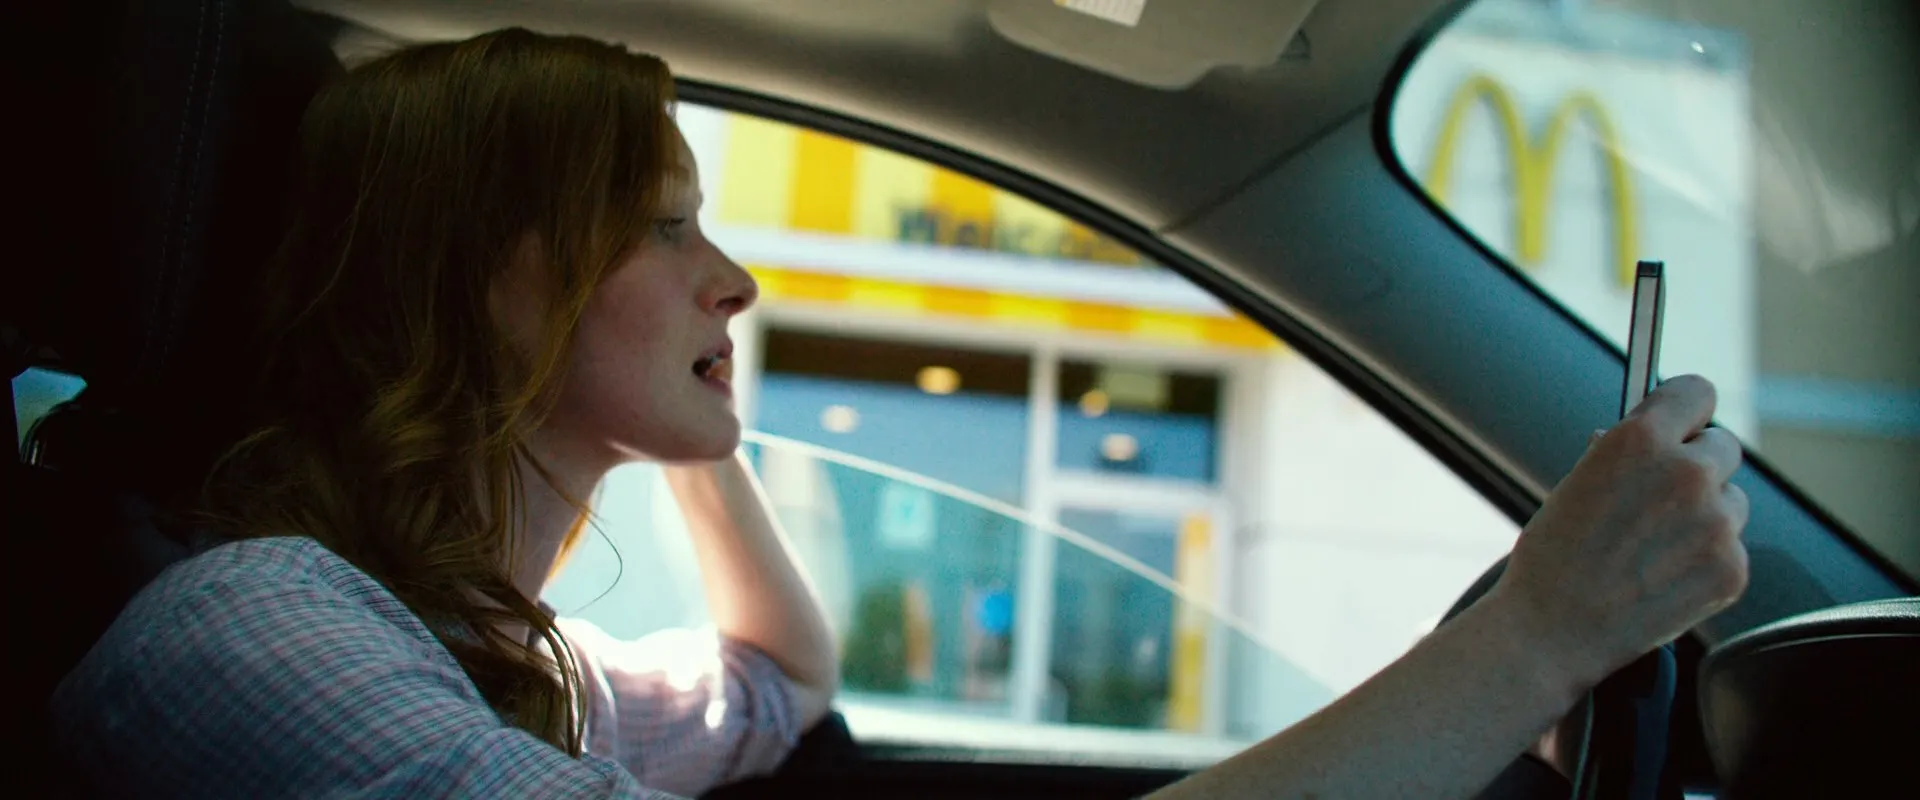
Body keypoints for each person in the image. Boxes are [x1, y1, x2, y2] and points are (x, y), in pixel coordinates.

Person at [51, 27, 1750, 800]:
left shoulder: (516, 666)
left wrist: (691, 416)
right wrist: (1534, 640)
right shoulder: (253, 633)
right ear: (479, 277)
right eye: (663, 224)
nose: (734, 280)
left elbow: (776, 686)